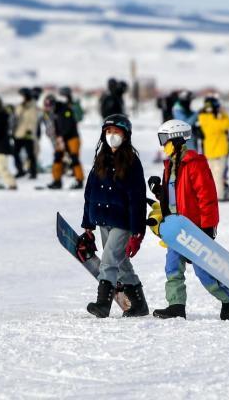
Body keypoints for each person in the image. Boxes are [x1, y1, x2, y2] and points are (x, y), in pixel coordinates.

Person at [149, 119, 229, 320]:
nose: (162, 145)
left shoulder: (195, 164)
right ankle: (176, 305)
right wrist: (159, 191)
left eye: (164, 139)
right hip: (176, 227)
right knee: (172, 267)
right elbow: (174, 197)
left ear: (176, 139)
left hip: (195, 228)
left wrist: (208, 227)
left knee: (203, 272)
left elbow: (207, 198)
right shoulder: (170, 165)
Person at [80, 114, 148, 318]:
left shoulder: (132, 163)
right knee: (122, 264)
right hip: (102, 220)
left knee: (109, 262)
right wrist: (88, 225)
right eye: (108, 132)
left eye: (116, 132)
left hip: (123, 222)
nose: (112, 135)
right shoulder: (100, 159)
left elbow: (137, 199)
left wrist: (137, 233)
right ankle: (139, 305)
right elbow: (89, 193)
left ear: (125, 135)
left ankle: (103, 305)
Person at [197, 95, 229, 199]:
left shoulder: (202, 118)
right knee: (217, 177)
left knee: (210, 177)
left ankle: (209, 196)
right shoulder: (216, 121)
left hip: (209, 152)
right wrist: (223, 113)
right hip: (219, 152)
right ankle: (219, 198)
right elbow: (228, 124)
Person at [47, 95, 84, 190]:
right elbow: (56, 127)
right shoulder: (54, 113)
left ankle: (79, 180)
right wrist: (58, 138)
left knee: (74, 158)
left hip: (72, 138)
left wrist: (62, 137)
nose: (49, 108)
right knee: (57, 157)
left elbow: (68, 125)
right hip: (61, 139)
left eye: (50, 106)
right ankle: (56, 181)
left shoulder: (66, 110)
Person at [13, 88, 39, 179]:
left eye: (23, 96)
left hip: (28, 134)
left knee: (30, 154)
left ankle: (33, 172)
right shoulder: (20, 106)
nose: (22, 98)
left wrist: (29, 130)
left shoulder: (33, 106)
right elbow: (16, 116)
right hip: (18, 133)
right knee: (15, 153)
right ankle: (20, 170)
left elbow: (33, 120)